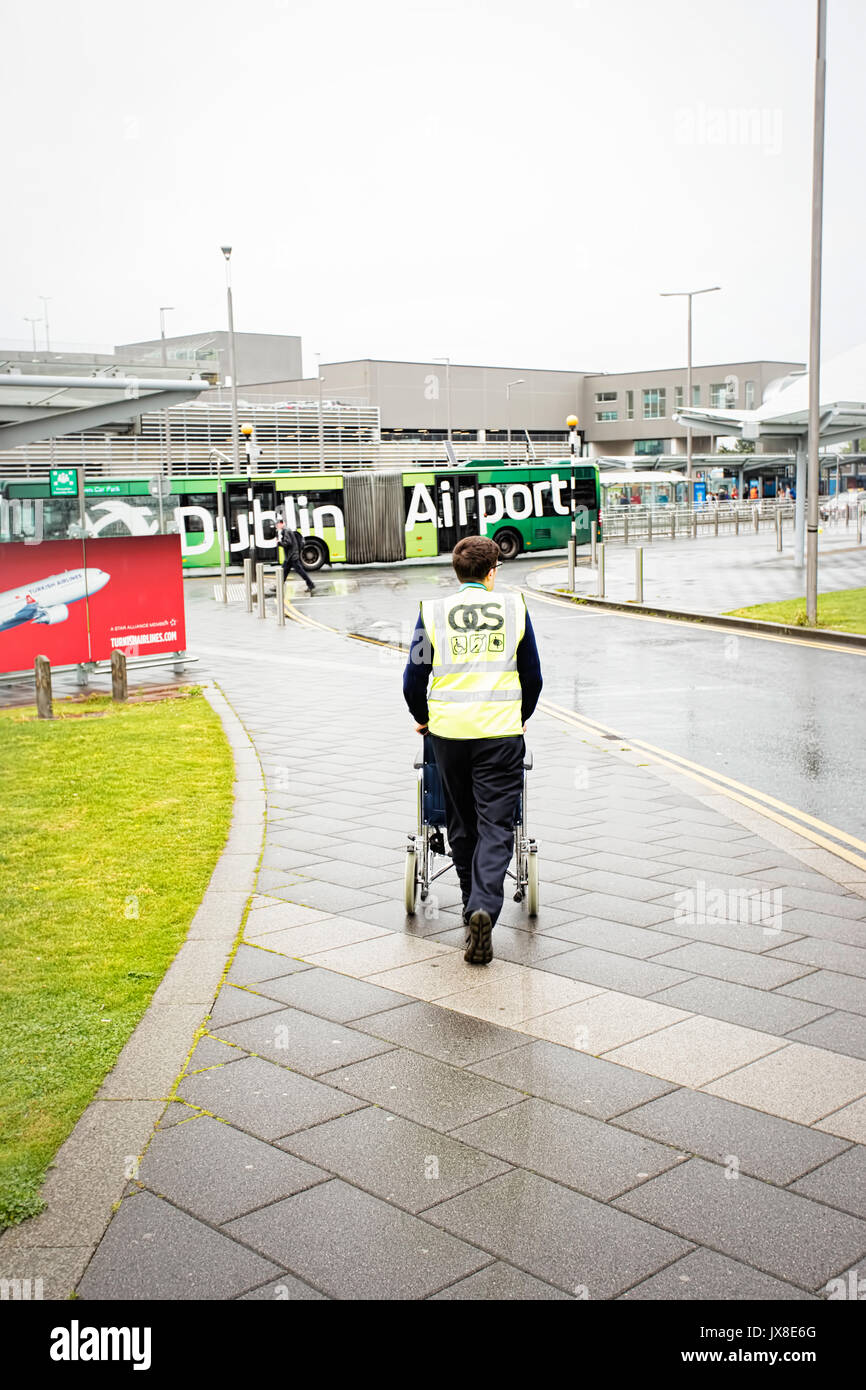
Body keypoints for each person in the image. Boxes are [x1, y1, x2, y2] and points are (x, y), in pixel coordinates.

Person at [402, 536, 543, 965]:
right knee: (497, 825)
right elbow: (532, 675)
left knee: (462, 825)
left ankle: (470, 911)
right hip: (500, 735)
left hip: (448, 736)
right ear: (492, 571)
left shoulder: (433, 612)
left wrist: (423, 717)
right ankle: (483, 905)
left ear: (456, 572)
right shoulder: (515, 608)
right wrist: (522, 716)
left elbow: (413, 676)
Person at [276, 515, 316, 596]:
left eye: (277, 525)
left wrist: (279, 543)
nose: (277, 526)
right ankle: (278, 586)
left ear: (281, 524)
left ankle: (311, 584)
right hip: (290, 556)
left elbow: (288, 543)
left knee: (300, 571)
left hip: (292, 556)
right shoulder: (286, 530)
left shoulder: (286, 530)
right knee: (284, 572)